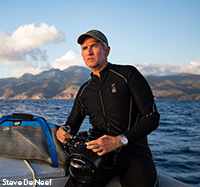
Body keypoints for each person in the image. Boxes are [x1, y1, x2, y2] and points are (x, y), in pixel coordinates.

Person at [56, 29, 160, 187]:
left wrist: (119, 140)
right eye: (84, 48)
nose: (89, 51)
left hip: (134, 153)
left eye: (94, 46)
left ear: (107, 50)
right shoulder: (85, 90)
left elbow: (152, 117)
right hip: (98, 154)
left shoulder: (127, 74)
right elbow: (72, 124)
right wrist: (64, 131)